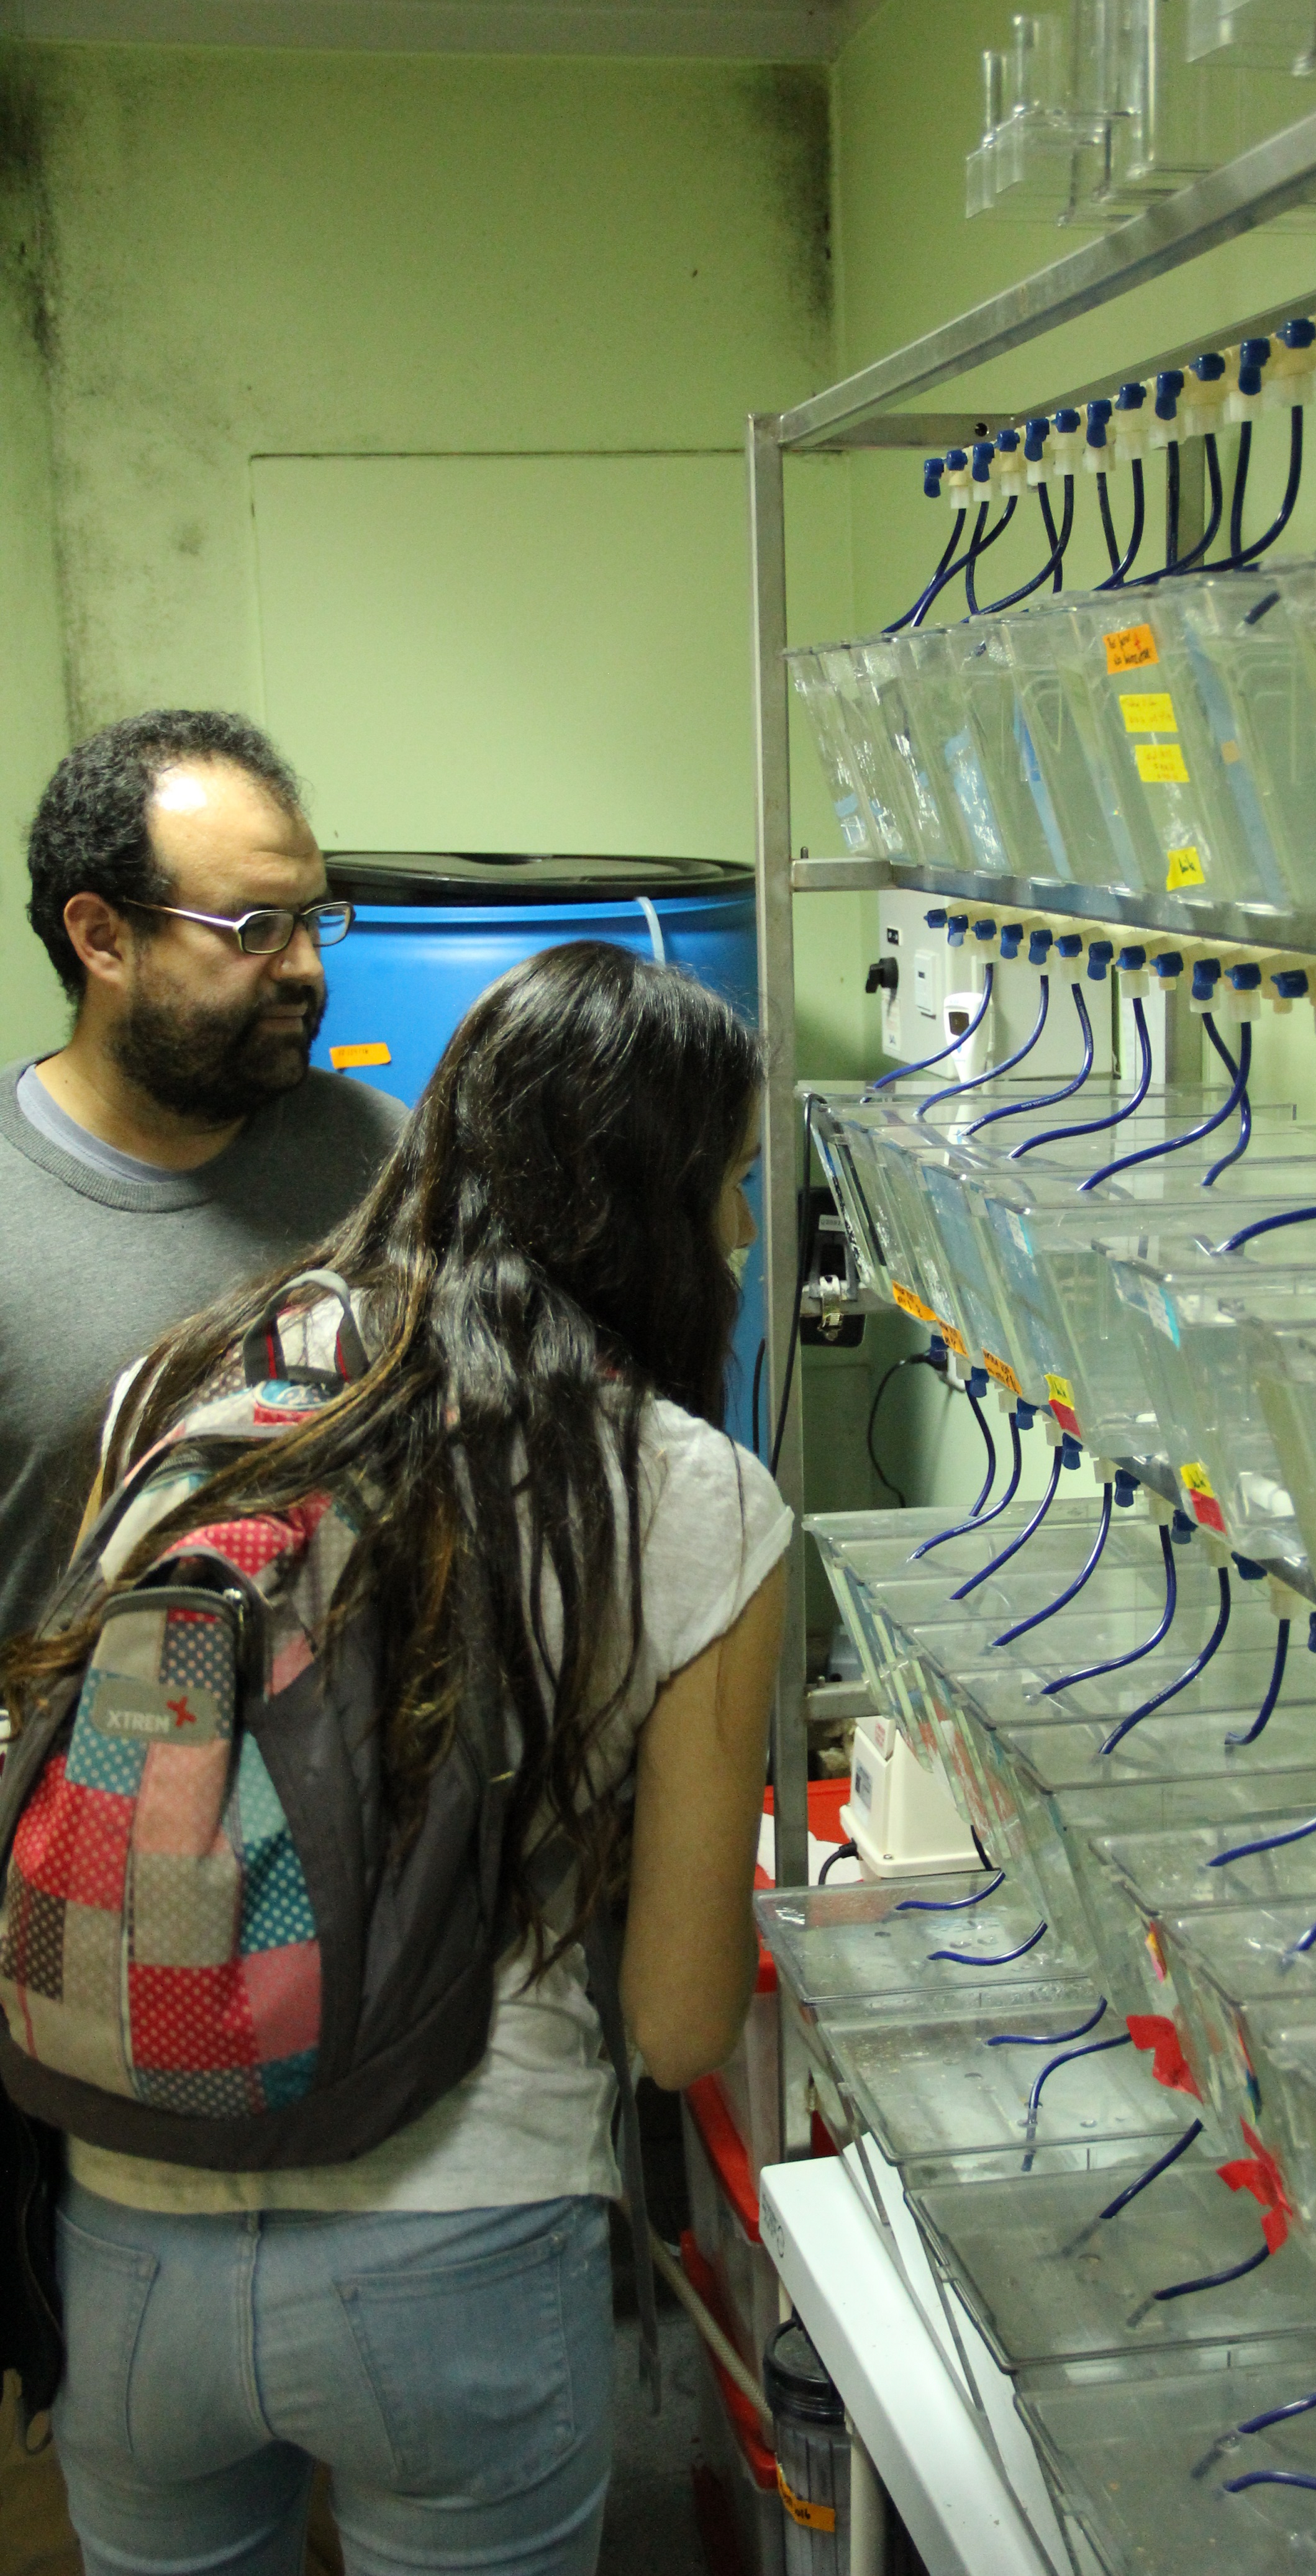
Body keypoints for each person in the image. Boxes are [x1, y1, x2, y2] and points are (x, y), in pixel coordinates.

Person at [3, 938, 789, 2576]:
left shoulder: (192, 1384)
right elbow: (673, 2023)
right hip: (463, 2235)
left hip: (131, 2205)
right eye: (726, 1184)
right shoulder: (694, 1494)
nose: (735, 1229)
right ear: (648, 1206)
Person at [0, 709, 406, 1650]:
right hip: (65, 1783)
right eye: (258, 927)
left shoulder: (386, 1165)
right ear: (102, 938)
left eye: (312, 919)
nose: (303, 967)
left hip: (335, 1777)